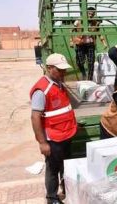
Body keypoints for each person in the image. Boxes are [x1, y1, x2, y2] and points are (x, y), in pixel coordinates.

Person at [30, 53, 77, 204]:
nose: (63, 72)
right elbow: (35, 117)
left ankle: (66, 189)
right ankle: (52, 198)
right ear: (49, 68)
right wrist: (42, 143)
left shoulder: (59, 83)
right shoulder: (42, 90)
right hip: (53, 138)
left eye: (64, 70)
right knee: (53, 169)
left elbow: (64, 109)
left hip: (66, 134)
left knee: (66, 165)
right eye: (60, 69)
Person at [71, 7, 107, 81]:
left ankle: (89, 79)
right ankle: (84, 73)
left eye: (92, 14)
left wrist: (104, 43)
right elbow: (71, 31)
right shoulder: (78, 21)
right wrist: (71, 41)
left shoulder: (95, 23)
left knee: (91, 62)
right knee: (80, 62)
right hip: (80, 44)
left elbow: (99, 33)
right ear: (86, 13)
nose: (91, 15)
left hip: (90, 45)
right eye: (89, 13)